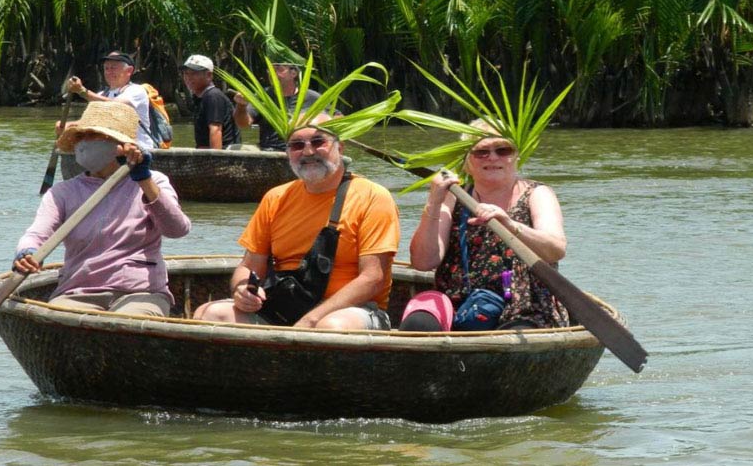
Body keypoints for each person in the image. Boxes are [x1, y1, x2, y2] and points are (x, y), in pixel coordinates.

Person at [193, 115, 399, 329]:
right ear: (288, 152)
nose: (308, 152)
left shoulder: (373, 196)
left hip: (352, 310)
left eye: (319, 142)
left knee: (330, 327)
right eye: (297, 145)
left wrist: (311, 320)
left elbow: (373, 279)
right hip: (286, 305)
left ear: (341, 148)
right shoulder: (276, 198)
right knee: (209, 314)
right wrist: (242, 289)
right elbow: (249, 266)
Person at [14, 100, 192, 316]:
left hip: (140, 292)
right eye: (82, 137)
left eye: (95, 136)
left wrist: (144, 180)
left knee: (130, 321)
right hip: (78, 291)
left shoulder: (153, 181)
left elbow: (177, 229)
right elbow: (36, 234)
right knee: (62, 319)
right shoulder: (63, 192)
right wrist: (27, 252)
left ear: (120, 144)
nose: (85, 144)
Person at [399, 121, 570, 331]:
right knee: (419, 323)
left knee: (515, 340)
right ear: (467, 161)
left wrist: (509, 224)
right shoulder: (454, 197)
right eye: (481, 152)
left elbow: (555, 250)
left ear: (516, 156)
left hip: (524, 305)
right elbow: (424, 262)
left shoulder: (536, 194)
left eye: (503, 150)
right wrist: (434, 203)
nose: (493, 157)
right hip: (460, 302)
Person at [63, 50, 154, 150]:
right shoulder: (101, 95)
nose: (109, 72)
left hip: (137, 148)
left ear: (129, 71)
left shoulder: (136, 91)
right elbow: (90, 121)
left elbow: (115, 106)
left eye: (113, 68)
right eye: (106, 68)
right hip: (110, 147)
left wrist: (82, 91)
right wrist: (68, 126)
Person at [233, 61, 323, 150]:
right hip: (267, 150)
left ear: (293, 73)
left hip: (301, 150)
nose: (272, 73)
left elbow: (334, 117)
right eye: (270, 69)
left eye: (278, 69)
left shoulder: (311, 97)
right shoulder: (263, 96)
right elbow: (244, 125)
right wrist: (241, 106)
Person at [181, 54, 240, 149]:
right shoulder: (200, 97)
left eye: (194, 73)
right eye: (186, 73)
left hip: (225, 155)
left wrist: (214, 161)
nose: (188, 77)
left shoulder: (213, 96)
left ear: (208, 75)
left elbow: (215, 130)